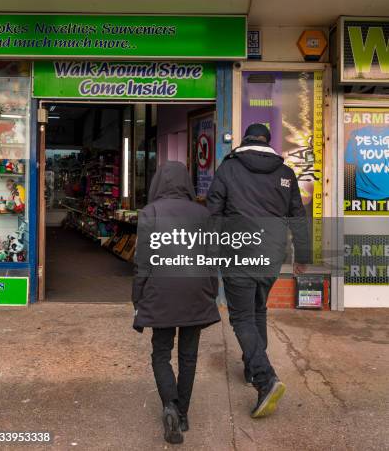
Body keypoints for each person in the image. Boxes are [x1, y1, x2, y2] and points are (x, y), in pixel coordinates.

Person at [207, 123, 310, 418]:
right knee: (258, 310)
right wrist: (302, 254)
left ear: (244, 140)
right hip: (271, 255)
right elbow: (298, 218)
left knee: (241, 317)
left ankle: (265, 379)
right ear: (268, 141)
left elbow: (214, 214)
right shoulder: (285, 173)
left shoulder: (228, 169)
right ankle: (253, 369)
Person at [132, 161, 220, 445]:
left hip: (161, 290)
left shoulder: (150, 213)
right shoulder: (203, 214)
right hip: (195, 291)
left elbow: (143, 262)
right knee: (189, 356)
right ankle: (182, 414)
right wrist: (211, 292)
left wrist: (138, 296)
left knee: (161, 353)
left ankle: (169, 404)